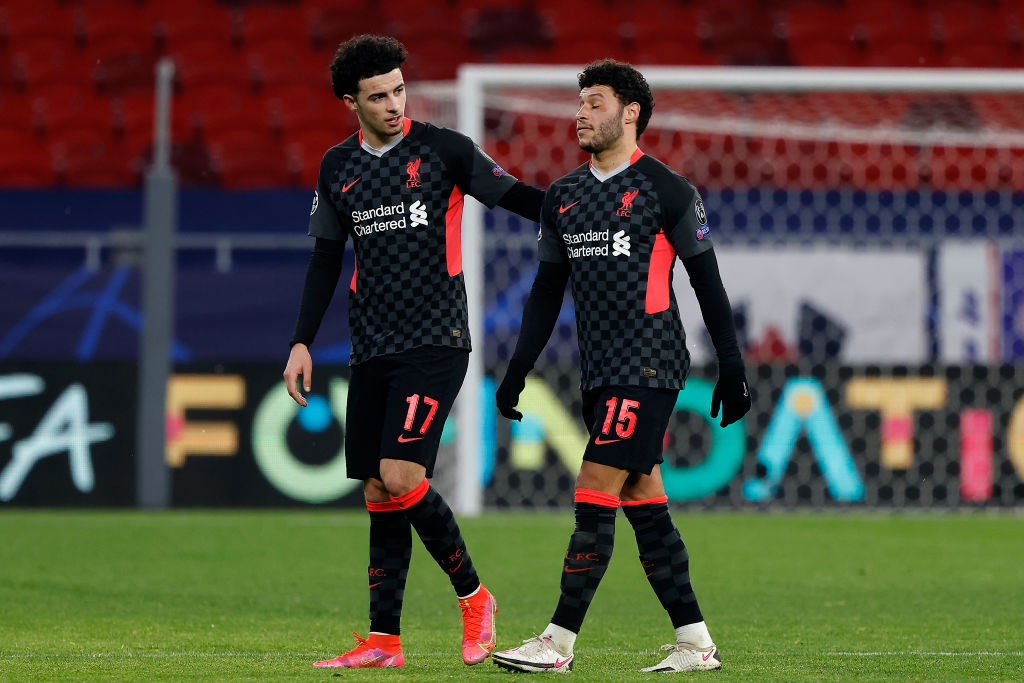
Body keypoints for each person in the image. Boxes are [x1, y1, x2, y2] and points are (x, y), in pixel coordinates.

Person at [282, 35, 543, 669]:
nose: (395, 103)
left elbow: (516, 197)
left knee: (402, 477)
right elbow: (324, 259)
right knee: (377, 488)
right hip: (372, 341)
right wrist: (301, 342)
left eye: (400, 89)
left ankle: (476, 599)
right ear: (352, 102)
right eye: (379, 96)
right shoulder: (336, 166)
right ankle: (383, 641)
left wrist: (584, 214)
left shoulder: (445, 150)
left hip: (437, 339)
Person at [490, 59, 751, 674]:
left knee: (594, 491)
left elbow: (708, 285)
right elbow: (546, 292)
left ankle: (557, 642)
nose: (581, 113)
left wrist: (733, 367)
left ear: (630, 113)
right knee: (644, 501)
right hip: (598, 370)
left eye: (596, 102)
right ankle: (695, 643)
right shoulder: (565, 196)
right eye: (580, 102)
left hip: (651, 363)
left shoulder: (668, 190)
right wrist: (517, 368)